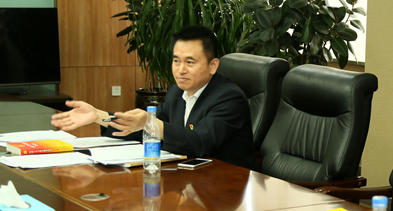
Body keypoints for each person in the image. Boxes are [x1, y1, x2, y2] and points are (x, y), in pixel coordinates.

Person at [51, 25, 257, 171]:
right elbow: (142, 129)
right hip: (189, 179)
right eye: (176, 61)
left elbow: (200, 142)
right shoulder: (176, 92)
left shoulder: (229, 98)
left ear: (213, 66)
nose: (181, 70)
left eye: (190, 62)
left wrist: (150, 123)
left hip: (226, 185)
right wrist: (99, 115)